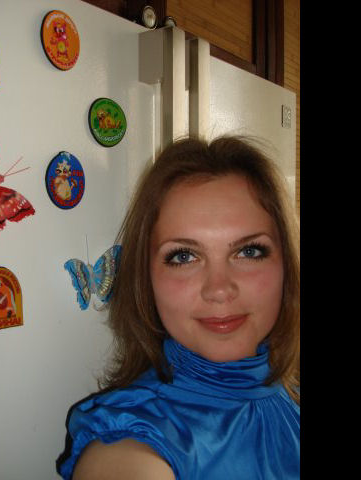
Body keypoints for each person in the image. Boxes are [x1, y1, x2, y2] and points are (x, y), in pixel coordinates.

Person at [56, 135, 300, 479]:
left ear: (286, 264)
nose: (219, 290)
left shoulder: (291, 394)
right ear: (146, 278)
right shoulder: (127, 452)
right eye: (184, 256)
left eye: (249, 251)